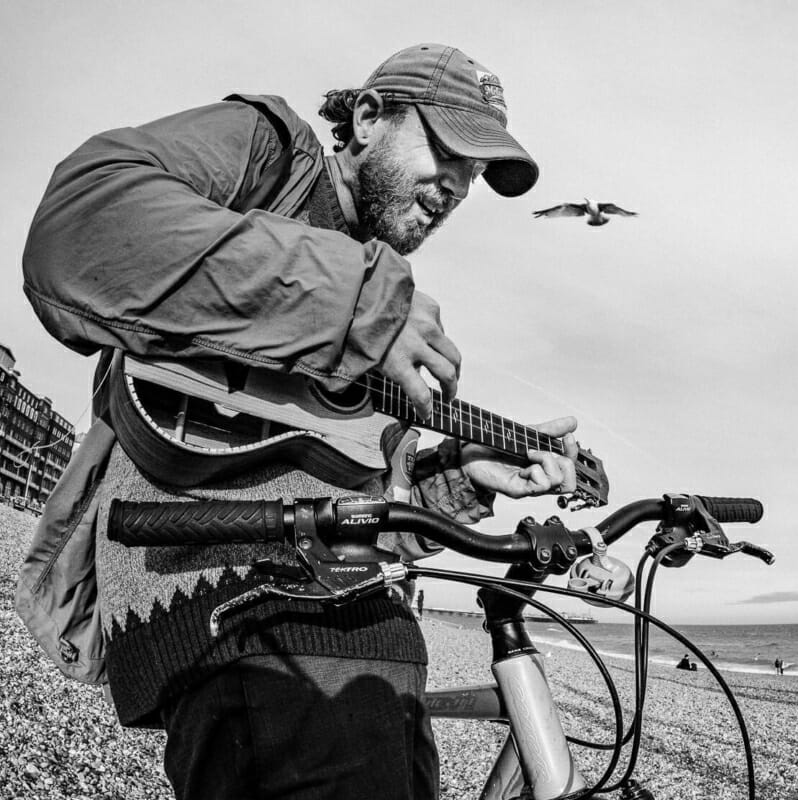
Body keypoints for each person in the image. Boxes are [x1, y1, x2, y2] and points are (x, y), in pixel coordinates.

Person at [18, 43, 579, 800]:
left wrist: (462, 480)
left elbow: (375, 514)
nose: (456, 185)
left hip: (351, 613)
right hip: (217, 596)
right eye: (449, 149)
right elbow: (79, 230)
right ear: (370, 117)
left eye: (474, 174)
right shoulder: (270, 152)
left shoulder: (378, 317)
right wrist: (358, 302)